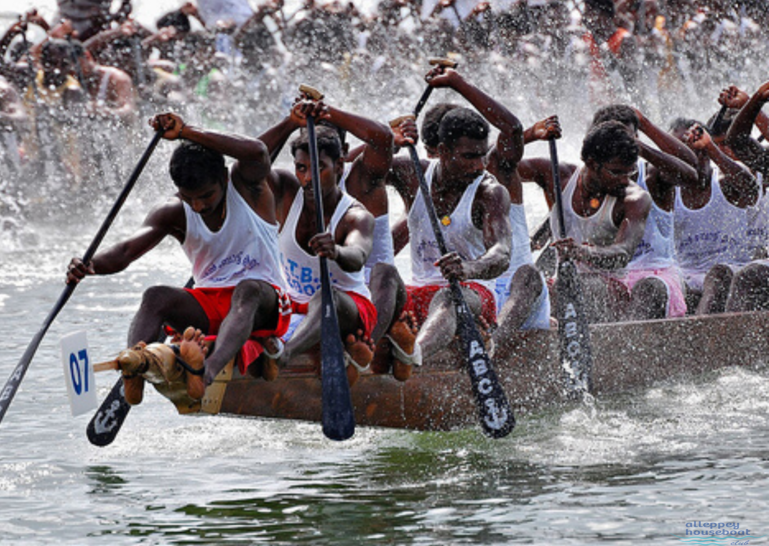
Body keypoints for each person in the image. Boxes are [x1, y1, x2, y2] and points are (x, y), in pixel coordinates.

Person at [66, 112, 291, 404]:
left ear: (223, 178)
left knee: (246, 288)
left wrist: (187, 131)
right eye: (189, 197)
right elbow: (125, 252)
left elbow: (257, 151)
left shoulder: (247, 188)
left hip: (264, 304)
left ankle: (206, 372)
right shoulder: (172, 211)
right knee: (156, 296)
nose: (198, 206)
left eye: (206, 196)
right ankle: (136, 365)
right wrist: (89, 265)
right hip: (212, 306)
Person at [387, 67, 513, 364]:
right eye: (469, 156)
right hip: (418, 290)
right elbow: (353, 170)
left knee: (449, 299)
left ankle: (412, 355)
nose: (480, 165)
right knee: (384, 278)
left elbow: (502, 252)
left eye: (483, 155)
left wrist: (468, 269)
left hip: (469, 292)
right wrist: (389, 140)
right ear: (442, 151)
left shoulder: (490, 193)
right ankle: (370, 348)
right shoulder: (411, 173)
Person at [259, 99, 377, 385]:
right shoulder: (287, 191)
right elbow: (250, 162)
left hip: (349, 308)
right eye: (301, 168)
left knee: (327, 298)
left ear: (339, 166)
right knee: (254, 288)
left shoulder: (356, 215)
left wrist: (336, 251)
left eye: (319, 168)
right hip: (295, 307)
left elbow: (358, 255)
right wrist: (290, 124)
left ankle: (284, 356)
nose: (308, 178)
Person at [549, 120, 652, 323]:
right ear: (592, 163)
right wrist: (532, 134)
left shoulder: (634, 199)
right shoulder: (558, 176)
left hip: (610, 285)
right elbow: (501, 164)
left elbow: (623, 253)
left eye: (629, 172)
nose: (624, 180)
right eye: (616, 172)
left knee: (583, 287)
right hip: (563, 281)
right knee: (531, 282)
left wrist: (582, 252)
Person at [671, 119, 759, 314]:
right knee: (661, 284)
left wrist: (711, 148)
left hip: (731, 272)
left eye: (696, 149)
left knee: (717, 276)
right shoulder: (666, 191)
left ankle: (701, 340)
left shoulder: (725, 181)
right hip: (686, 277)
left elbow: (751, 190)